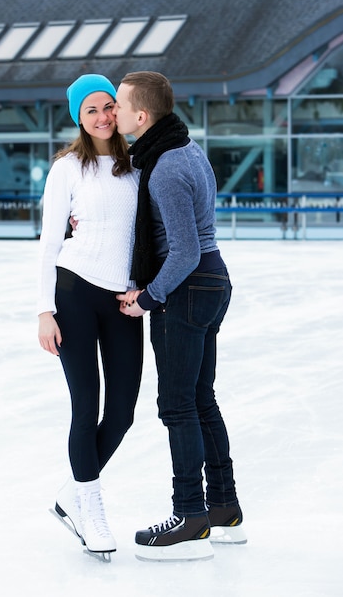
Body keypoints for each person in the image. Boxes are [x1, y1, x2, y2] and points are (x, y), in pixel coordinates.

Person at [113, 71, 246, 561]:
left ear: (142, 116)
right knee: (200, 398)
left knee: (177, 405)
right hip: (211, 283)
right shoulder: (188, 149)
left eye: (121, 107)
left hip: (187, 290)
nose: (114, 114)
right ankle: (224, 507)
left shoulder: (165, 166)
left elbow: (184, 250)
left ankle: (190, 513)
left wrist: (147, 298)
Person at [37, 74, 143, 559]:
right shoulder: (67, 169)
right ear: (79, 119)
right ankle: (90, 505)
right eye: (91, 111)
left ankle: (72, 492)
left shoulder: (137, 165)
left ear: (120, 111)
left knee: (121, 413)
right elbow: (50, 244)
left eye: (107, 107)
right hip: (75, 293)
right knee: (86, 406)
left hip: (123, 301)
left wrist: (143, 285)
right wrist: (44, 310)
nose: (102, 117)